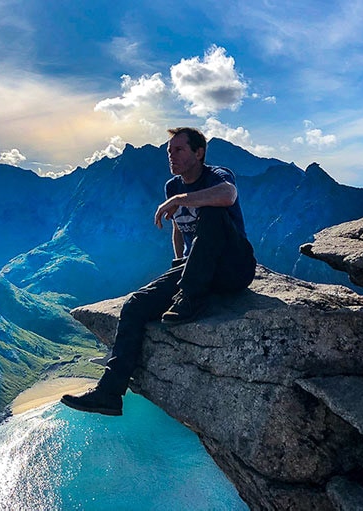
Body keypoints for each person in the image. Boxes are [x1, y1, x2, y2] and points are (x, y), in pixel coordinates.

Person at [61, 127, 257, 416]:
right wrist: (180, 261)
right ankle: (109, 393)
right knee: (135, 305)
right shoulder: (172, 186)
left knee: (212, 210)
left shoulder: (217, 176)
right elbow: (179, 228)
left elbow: (227, 196)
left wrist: (180, 201)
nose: (171, 156)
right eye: (169, 152)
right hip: (199, 269)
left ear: (199, 153)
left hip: (233, 267)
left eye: (178, 150)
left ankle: (191, 297)